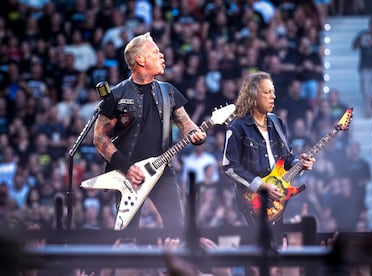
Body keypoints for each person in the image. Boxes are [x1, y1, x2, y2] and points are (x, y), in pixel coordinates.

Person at [93, 32, 206, 236]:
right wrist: (127, 168)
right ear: (140, 59)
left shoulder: (168, 91)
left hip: (162, 172)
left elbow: (186, 124)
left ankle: (174, 267)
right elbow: (99, 137)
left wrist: (196, 134)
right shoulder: (117, 95)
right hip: (128, 177)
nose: (162, 55)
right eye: (156, 52)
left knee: (176, 231)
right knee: (127, 237)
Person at [222, 71, 315, 227]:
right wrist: (261, 186)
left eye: (273, 92)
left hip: (278, 196)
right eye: (267, 92)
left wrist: (300, 163)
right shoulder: (238, 127)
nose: (273, 97)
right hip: (253, 199)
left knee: (277, 244)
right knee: (261, 245)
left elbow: (287, 157)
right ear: (253, 96)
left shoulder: (277, 122)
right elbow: (229, 166)